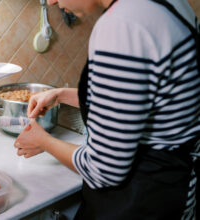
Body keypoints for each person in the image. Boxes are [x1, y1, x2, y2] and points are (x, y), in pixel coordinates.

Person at [14, 0, 200, 219]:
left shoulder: (122, 25)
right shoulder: (164, 4)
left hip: (141, 205)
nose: (52, 1)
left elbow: (103, 169)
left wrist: (43, 141)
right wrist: (61, 95)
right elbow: (140, 101)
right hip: (176, 192)